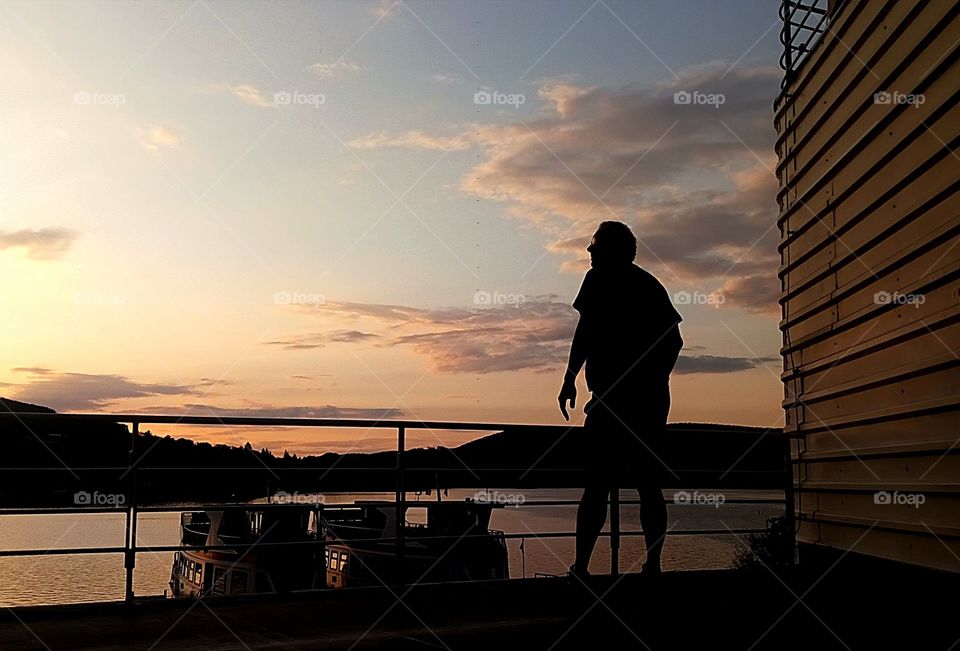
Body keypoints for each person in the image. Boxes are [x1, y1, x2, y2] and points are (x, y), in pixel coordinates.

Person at [558, 220, 683, 579]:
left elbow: (671, 343)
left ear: (616, 250)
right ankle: (581, 567)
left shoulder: (646, 287)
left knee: (646, 484)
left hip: (643, 405)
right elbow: (586, 330)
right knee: (597, 484)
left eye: (595, 245)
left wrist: (637, 386)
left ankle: (653, 565)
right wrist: (570, 377)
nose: (589, 250)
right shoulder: (595, 280)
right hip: (606, 401)